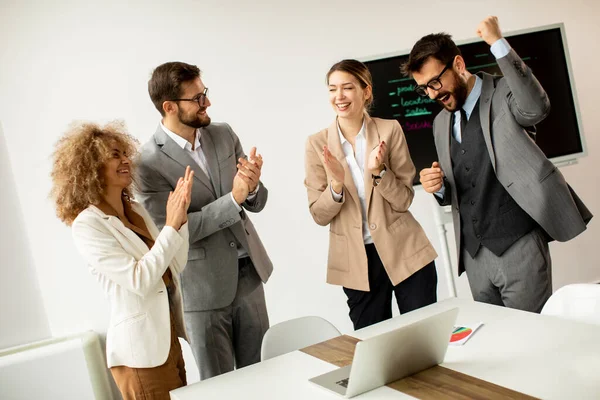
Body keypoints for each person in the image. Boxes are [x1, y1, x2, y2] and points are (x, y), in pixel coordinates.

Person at [403, 16, 593, 312]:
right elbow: (462, 186)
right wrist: (438, 188)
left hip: (519, 246)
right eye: (423, 88)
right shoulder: (440, 123)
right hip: (474, 257)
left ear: (458, 64)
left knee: (532, 337)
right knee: (498, 342)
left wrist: (497, 44)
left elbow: (536, 108)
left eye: (435, 82)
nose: (432, 94)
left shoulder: (503, 93)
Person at [136, 61, 273, 379]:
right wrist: (235, 199)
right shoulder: (147, 164)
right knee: (220, 387)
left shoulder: (223, 134)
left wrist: (250, 189)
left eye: (205, 93)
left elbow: (257, 200)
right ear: (169, 106)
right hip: (202, 290)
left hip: (250, 277)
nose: (207, 103)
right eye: (197, 98)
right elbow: (172, 232)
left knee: (265, 375)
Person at [50, 121, 194, 399]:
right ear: (90, 168)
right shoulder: (87, 225)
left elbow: (175, 265)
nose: (126, 160)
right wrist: (171, 226)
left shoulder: (136, 210)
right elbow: (138, 280)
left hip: (168, 342)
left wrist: (181, 220)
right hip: (140, 355)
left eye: (124, 153)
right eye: (114, 155)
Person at [304, 59, 438, 330]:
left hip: (406, 251)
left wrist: (380, 173)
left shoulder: (390, 130)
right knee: (376, 347)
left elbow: (404, 200)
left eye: (347, 88)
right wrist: (336, 187)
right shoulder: (316, 144)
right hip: (356, 263)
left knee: (424, 336)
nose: (339, 96)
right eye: (332, 89)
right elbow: (318, 214)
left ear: (366, 91)